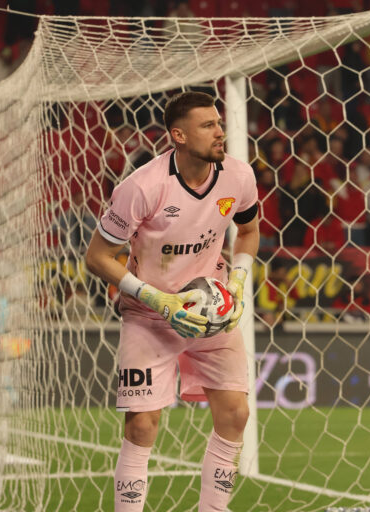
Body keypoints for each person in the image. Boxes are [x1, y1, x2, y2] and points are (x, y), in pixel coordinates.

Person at [84, 92, 260, 512]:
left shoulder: (238, 176)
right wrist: (157, 300)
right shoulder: (142, 187)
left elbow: (249, 231)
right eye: (208, 126)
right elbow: (96, 257)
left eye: (219, 123)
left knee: (235, 414)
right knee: (142, 425)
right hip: (149, 316)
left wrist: (235, 282)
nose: (220, 132)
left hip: (211, 310)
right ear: (178, 136)